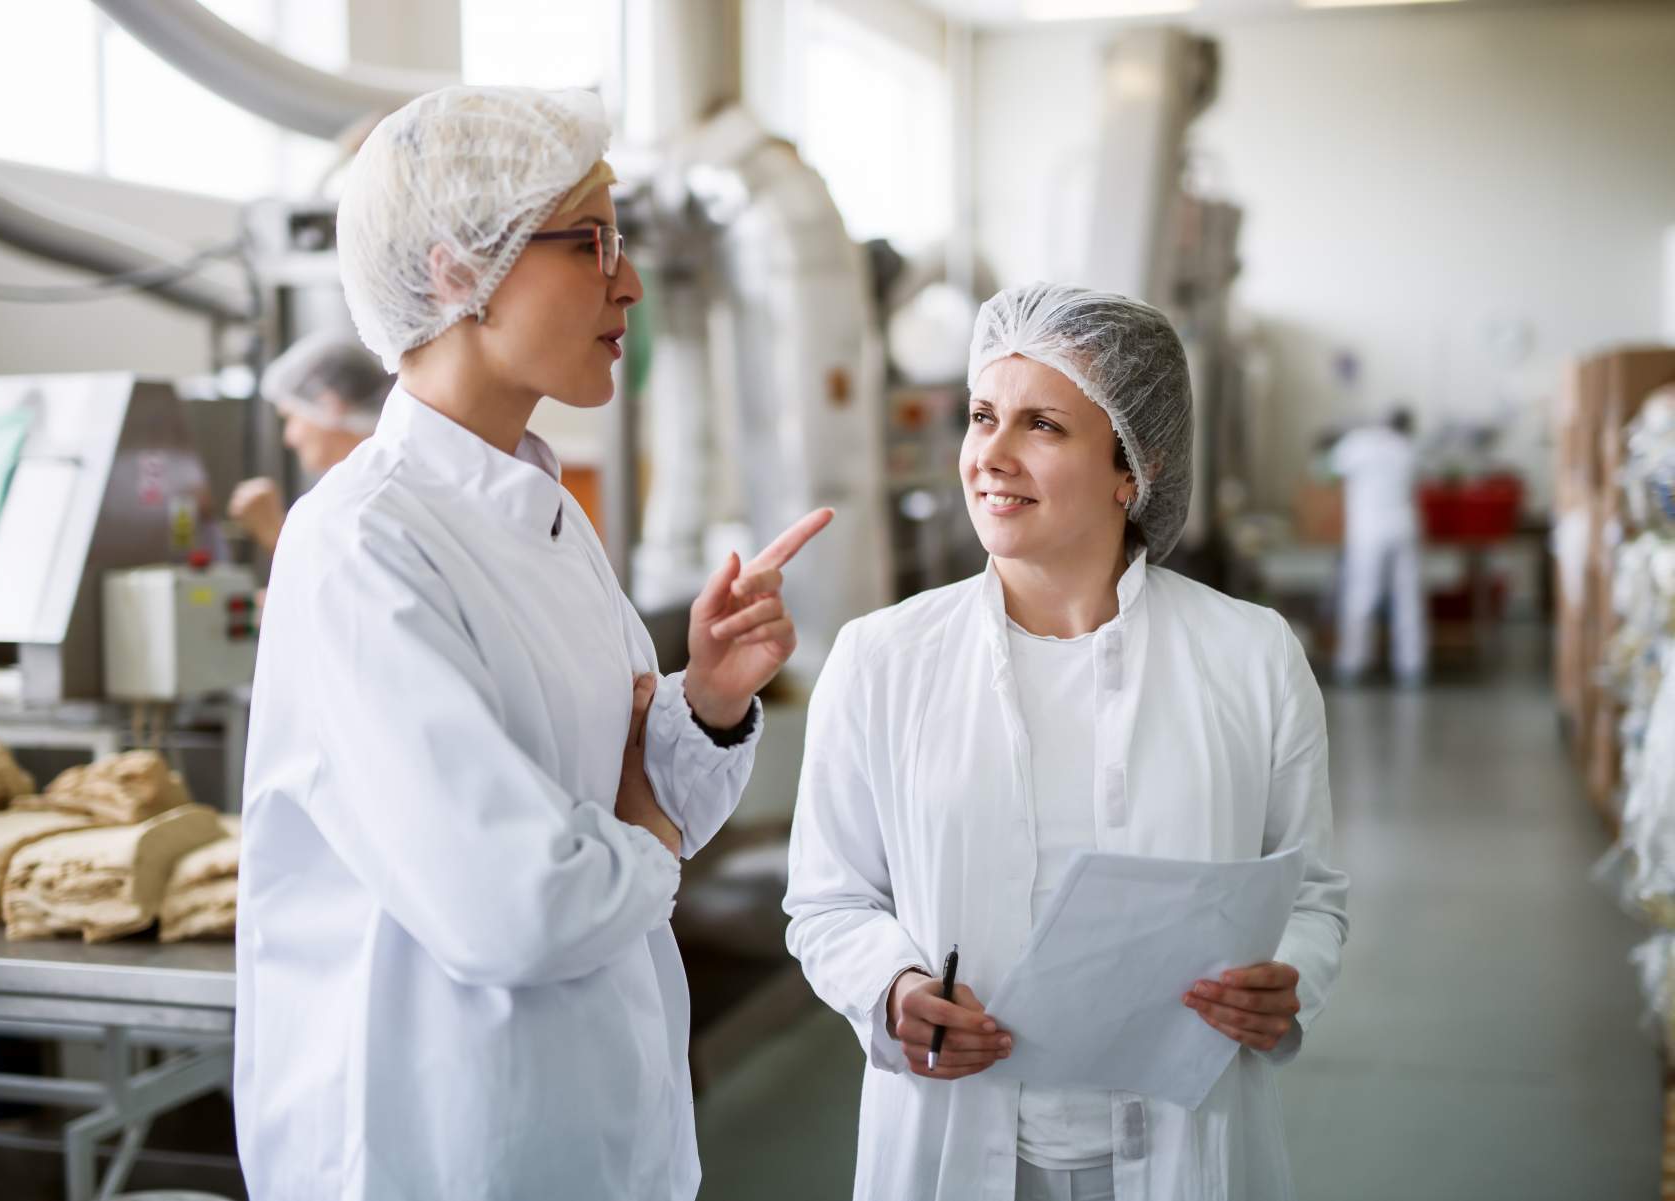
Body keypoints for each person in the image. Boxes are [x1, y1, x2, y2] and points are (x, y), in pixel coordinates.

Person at [234, 85, 831, 1201]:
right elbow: (515, 905)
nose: (632, 282)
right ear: (459, 270)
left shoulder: (540, 511)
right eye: (592, 242)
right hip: (439, 1139)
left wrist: (702, 699)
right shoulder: (362, 544)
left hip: (589, 1117)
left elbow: (636, 817)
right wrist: (638, 822)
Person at [783, 283, 1348, 1201]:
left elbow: (1310, 891)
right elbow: (828, 901)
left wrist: (1289, 975)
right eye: (980, 416)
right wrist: (892, 991)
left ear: (1135, 465)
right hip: (955, 1140)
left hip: (1185, 1142)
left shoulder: (1250, 656)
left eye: (1042, 424)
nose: (989, 456)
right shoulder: (881, 660)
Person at [227, 333, 392, 555]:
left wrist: (274, 532)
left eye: (291, 418)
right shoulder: (356, 485)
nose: (289, 438)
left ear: (331, 403)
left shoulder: (375, 491)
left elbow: (348, 580)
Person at [1331, 407, 1426, 685]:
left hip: (1368, 532)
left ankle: (1353, 664)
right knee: (1408, 598)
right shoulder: (1405, 447)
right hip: (1404, 528)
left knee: (1361, 596)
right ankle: (1412, 667)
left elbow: (1328, 470)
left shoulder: (1356, 444)